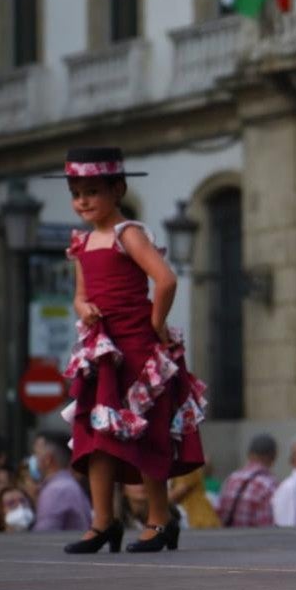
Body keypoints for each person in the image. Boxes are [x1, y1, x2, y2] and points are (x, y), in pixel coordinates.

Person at [48, 147, 208, 554]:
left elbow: (165, 280)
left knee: (146, 433)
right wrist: (84, 310)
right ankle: (103, 521)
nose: (83, 200)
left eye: (92, 192)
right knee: (96, 436)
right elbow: (80, 296)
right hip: (103, 353)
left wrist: (156, 324)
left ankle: (159, 519)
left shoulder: (128, 234)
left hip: (137, 349)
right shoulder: (82, 243)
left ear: (117, 190)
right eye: (77, 193)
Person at [31, 431, 93, 534]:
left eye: (36, 454)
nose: (33, 459)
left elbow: (43, 537)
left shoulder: (56, 490)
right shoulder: (69, 485)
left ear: (48, 459)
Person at [218, 434, 279, 528]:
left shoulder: (232, 479)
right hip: (252, 540)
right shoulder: (268, 484)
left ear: (249, 454)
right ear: (273, 456)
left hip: (228, 539)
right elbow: (267, 527)